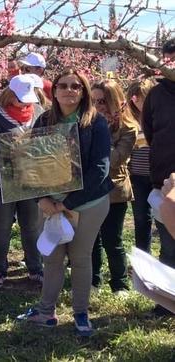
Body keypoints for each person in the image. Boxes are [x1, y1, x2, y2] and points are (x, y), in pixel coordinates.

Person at [17, 68, 113, 337]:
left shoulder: (96, 123)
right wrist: (43, 198)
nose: (69, 90)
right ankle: (46, 312)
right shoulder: (43, 121)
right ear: (54, 90)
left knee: (81, 258)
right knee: (52, 258)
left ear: (83, 91)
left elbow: (100, 168)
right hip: (49, 203)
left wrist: (67, 203)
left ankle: (81, 313)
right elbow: (30, 163)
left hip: (87, 203)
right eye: (63, 85)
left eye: (76, 86)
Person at [0, 74, 44, 289]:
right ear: (10, 94)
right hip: (3, 178)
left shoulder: (38, 112)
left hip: (32, 177)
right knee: (2, 225)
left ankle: (35, 267)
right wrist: (7, 147)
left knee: (32, 224)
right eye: (20, 98)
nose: (24, 103)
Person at [90, 79, 138, 294]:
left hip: (114, 190)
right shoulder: (84, 123)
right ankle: (93, 280)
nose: (98, 106)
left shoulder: (128, 128)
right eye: (93, 101)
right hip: (89, 190)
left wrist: (99, 138)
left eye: (102, 101)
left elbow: (117, 158)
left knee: (112, 238)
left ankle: (119, 283)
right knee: (91, 239)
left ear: (115, 101)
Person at [142, 38, 175, 316]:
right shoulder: (156, 94)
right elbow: (150, 132)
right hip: (165, 180)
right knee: (168, 244)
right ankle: (167, 300)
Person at [126, 79, 156, 252]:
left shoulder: (159, 117)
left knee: (162, 216)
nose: (137, 102)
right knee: (141, 217)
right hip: (137, 176)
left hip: (158, 176)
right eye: (134, 98)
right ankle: (144, 255)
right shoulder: (130, 120)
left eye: (141, 97)